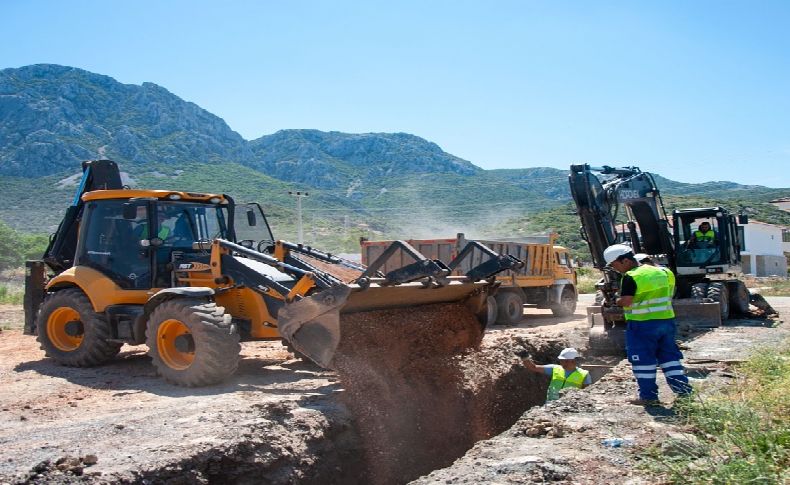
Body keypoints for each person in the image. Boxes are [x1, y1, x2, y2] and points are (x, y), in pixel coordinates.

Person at [603, 244, 692, 405]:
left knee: (643, 361)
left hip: (642, 324)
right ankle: (684, 392)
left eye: (614, 265)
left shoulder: (631, 276)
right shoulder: (663, 272)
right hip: (666, 321)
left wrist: (617, 300)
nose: (615, 269)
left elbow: (627, 302)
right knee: (670, 358)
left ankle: (648, 396)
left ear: (624, 261)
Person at [519, 347, 591, 401]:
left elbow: (586, 394)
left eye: (565, 361)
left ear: (574, 361)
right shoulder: (555, 368)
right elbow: (533, 367)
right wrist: (525, 358)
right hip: (551, 406)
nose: (562, 363)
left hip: (570, 408)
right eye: (561, 361)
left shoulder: (584, 375)